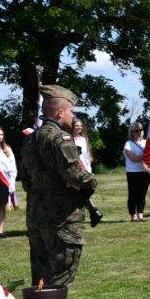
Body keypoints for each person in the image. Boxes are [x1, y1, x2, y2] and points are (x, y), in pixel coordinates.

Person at [17, 85, 97, 286]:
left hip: (36, 216)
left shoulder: (30, 140)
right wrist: (92, 180)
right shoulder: (60, 138)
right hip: (61, 218)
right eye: (71, 111)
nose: (72, 116)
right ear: (60, 112)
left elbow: (25, 180)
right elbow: (74, 175)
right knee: (60, 278)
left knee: (41, 278)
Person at [123, 122, 150, 222]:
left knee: (142, 194)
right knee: (133, 194)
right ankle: (133, 215)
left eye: (140, 130)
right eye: (136, 130)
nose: (139, 132)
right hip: (133, 172)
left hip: (145, 171)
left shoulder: (146, 142)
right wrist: (147, 156)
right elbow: (133, 158)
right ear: (132, 132)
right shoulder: (128, 144)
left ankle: (140, 214)